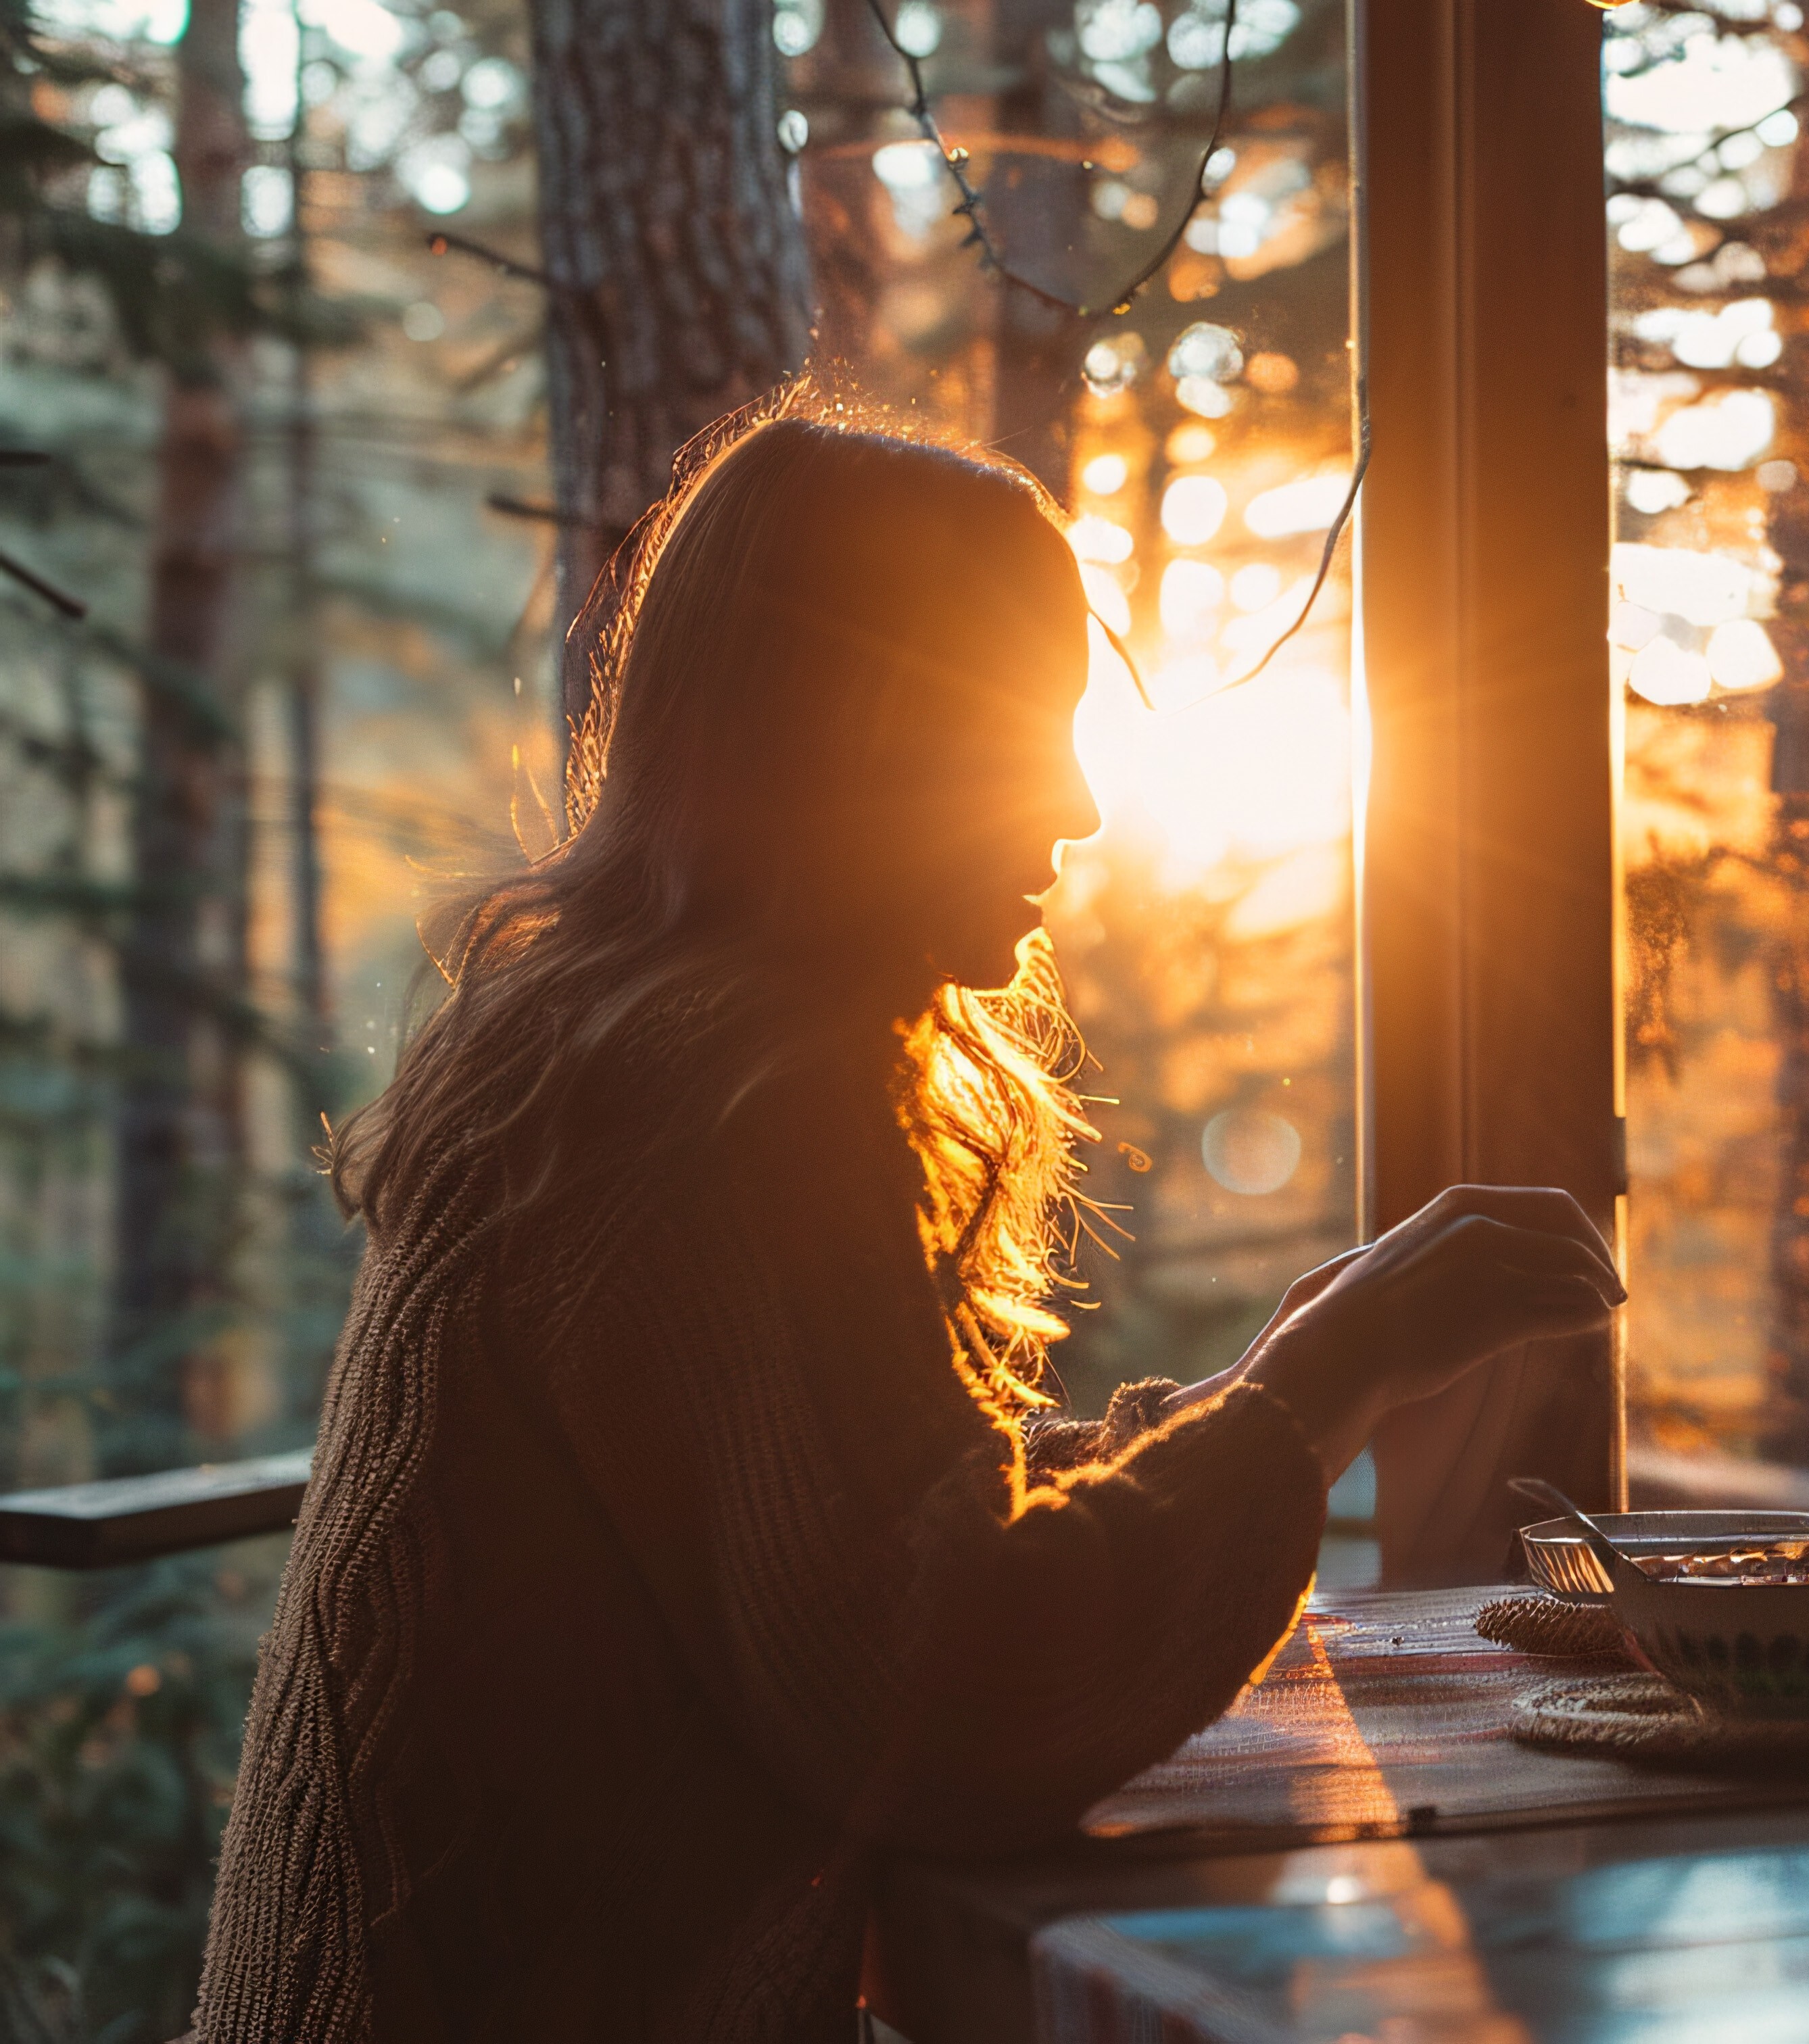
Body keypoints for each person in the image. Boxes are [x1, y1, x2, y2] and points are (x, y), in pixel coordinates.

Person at [195, 413, 1622, 2041]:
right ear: (865, 732)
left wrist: (1273, 1385)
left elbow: (866, 1545)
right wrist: (1326, 1383)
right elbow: (951, 1693)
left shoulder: (608, 1038)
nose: (1083, 808)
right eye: (1028, 730)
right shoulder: (724, 1100)